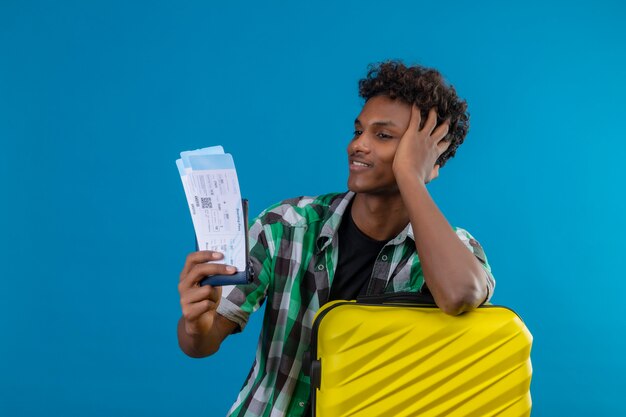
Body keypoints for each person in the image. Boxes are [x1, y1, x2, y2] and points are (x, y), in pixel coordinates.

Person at [177, 60, 496, 417]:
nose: (357, 145)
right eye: (358, 130)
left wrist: (409, 175)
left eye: (383, 136)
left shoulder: (455, 252)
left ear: (431, 162)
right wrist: (196, 324)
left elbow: (459, 295)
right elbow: (201, 343)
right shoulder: (284, 226)